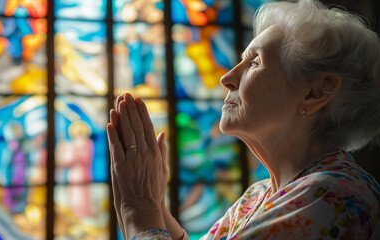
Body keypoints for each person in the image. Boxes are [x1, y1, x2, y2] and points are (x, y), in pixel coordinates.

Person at [106, 0, 380, 239]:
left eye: (255, 62)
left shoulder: (334, 194)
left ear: (315, 92)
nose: (226, 78)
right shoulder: (258, 195)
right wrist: (155, 205)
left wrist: (138, 209)